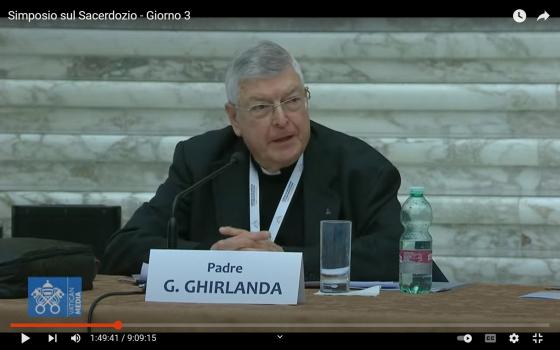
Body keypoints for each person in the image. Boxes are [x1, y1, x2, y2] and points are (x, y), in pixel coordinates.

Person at [101, 40, 446, 282]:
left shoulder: (358, 167)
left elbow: (403, 254)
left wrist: (284, 263)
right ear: (234, 118)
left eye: (292, 100)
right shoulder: (201, 160)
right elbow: (124, 248)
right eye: (262, 107)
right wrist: (216, 260)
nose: (282, 119)